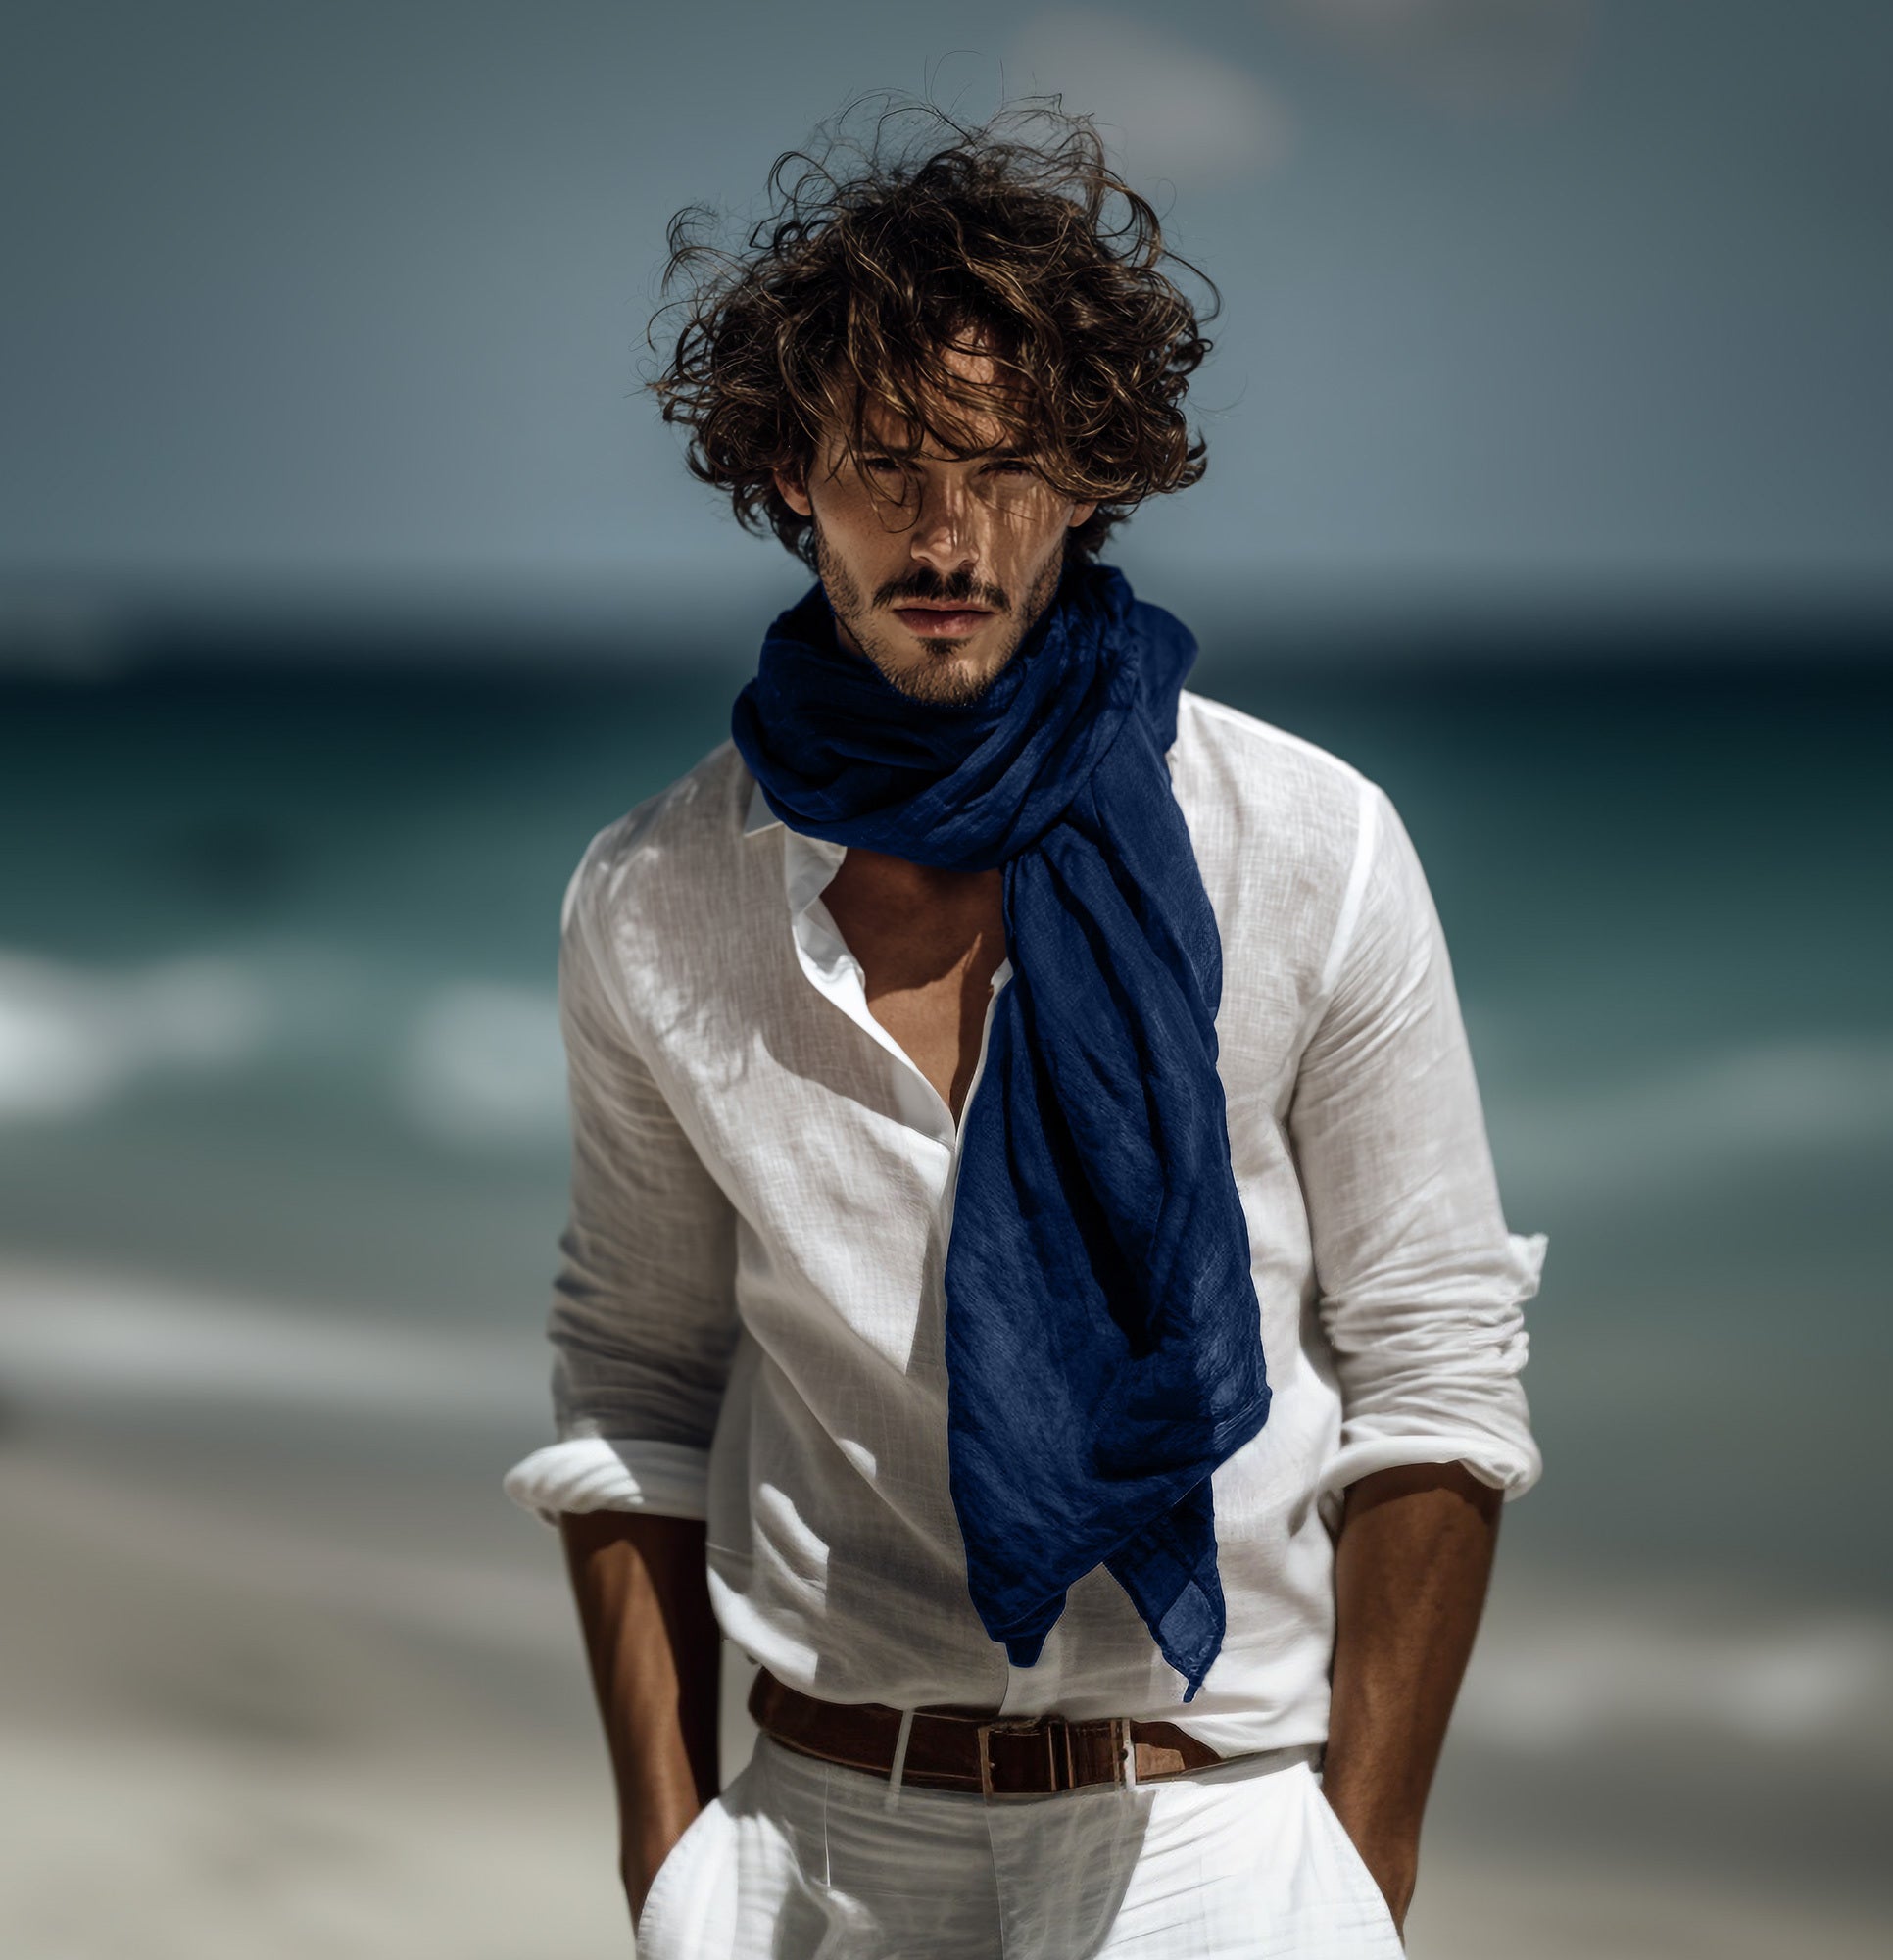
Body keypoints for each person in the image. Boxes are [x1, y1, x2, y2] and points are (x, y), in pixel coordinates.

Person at [503, 101, 1545, 1959]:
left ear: (1090, 478)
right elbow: (637, 1387)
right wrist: (672, 1867)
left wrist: (1358, 1880)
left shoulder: (1305, 848)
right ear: (785, 479)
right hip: (815, 1839)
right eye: (884, 461)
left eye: (1006, 463)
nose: (946, 528)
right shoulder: (660, 898)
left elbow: (1438, 1372)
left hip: (1212, 1830)